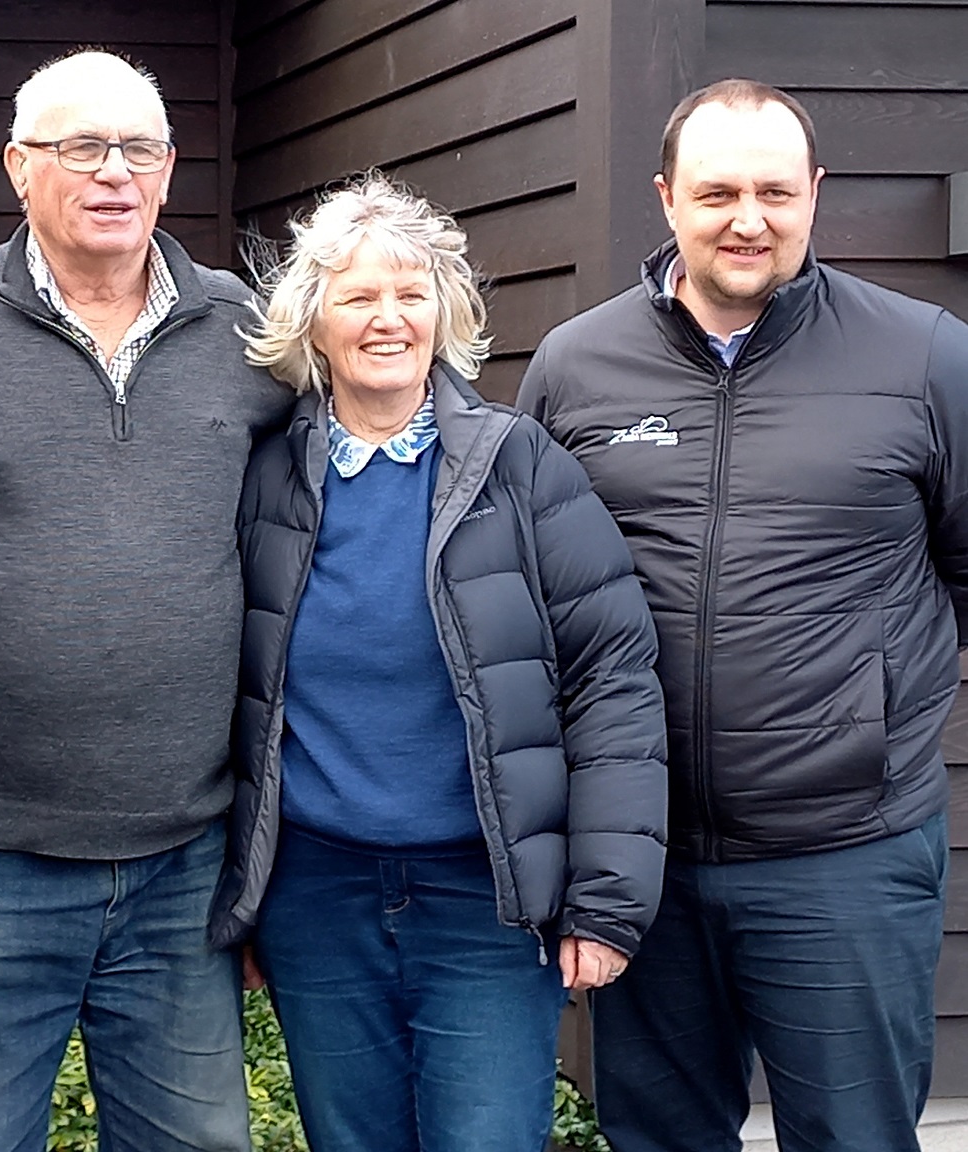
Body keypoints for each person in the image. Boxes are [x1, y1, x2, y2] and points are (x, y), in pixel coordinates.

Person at [518, 78, 968, 1152]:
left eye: (775, 190)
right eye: (717, 191)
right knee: (659, 1136)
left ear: (814, 195)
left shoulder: (922, 357)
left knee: (853, 1137)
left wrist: (870, 713)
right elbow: (529, 603)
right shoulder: (574, 368)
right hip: (642, 860)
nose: (747, 220)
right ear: (666, 198)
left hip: (842, 855)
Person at [0, 50, 289, 1152]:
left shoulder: (246, 334)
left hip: (182, 866)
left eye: (139, 149)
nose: (113, 173)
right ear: (19, 167)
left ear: (166, 171)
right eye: (79, 148)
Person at [212, 172, 668, 1152]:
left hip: (485, 899)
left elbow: (612, 677)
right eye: (358, 296)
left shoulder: (519, 466)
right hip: (315, 897)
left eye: (410, 293)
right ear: (312, 321)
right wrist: (239, 893)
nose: (387, 318)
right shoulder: (261, 481)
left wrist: (605, 894)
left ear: (445, 311)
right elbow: (233, 692)